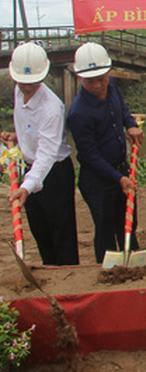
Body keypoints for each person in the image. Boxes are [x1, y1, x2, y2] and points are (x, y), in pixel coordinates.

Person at [1, 42, 79, 265]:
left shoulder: (51, 108)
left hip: (54, 171)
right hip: (29, 168)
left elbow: (46, 154)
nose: (27, 87)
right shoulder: (19, 90)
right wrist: (18, 136)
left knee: (60, 229)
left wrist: (27, 186)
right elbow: (25, 122)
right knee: (39, 226)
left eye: (33, 82)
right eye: (23, 82)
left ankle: (68, 273)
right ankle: (49, 268)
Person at [67, 42, 143, 263]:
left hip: (121, 170)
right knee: (105, 225)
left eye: (102, 78)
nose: (99, 85)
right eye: (91, 81)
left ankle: (134, 260)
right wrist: (117, 178)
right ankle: (109, 268)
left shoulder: (111, 88)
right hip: (98, 180)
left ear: (109, 72)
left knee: (128, 222)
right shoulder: (78, 113)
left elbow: (123, 109)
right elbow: (90, 156)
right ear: (80, 77)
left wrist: (129, 124)